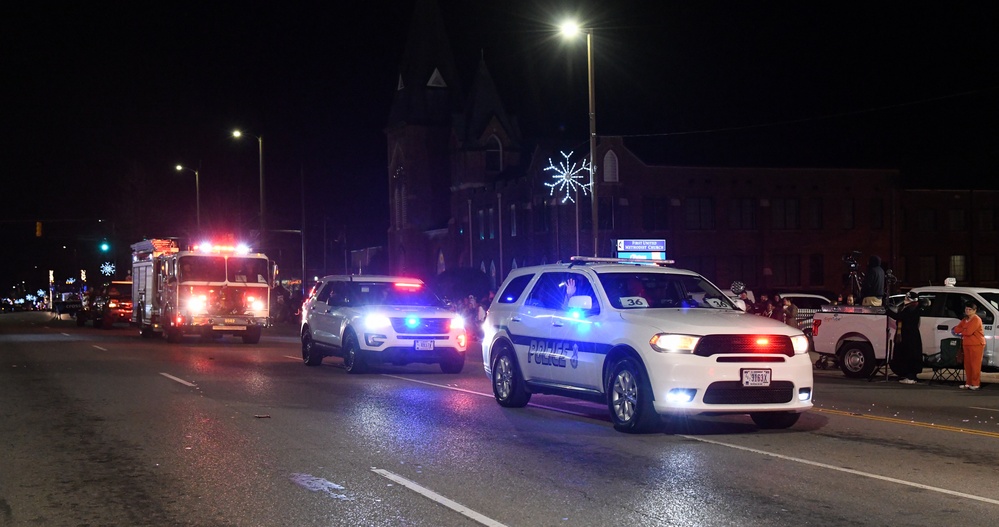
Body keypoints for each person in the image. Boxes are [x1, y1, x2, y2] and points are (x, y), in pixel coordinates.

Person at [886, 290, 923, 384]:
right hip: (910, 335)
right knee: (907, 355)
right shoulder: (914, 307)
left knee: (909, 355)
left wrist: (887, 311)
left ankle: (910, 376)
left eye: (907, 298)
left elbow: (899, 316)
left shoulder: (911, 309)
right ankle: (908, 375)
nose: (905, 300)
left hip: (909, 336)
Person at [952, 301, 985, 390]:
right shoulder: (964, 319)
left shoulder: (976, 319)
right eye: (966, 309)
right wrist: (963, 329)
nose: (968, 311)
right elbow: (956, 329)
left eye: (970, 309)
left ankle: (975, 383)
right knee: (967, 364)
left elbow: (969, 332)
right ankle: (968, 382)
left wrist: (962, 330)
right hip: (966, 344)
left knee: (975, 365)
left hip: (976, 344)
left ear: (974, 310)